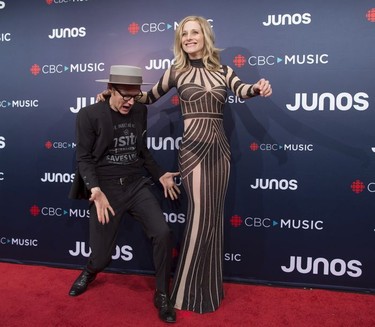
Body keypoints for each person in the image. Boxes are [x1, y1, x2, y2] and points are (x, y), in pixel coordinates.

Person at [98, 16, 272, 314]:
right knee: (199, 217)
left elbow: (242, 90)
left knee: (213, 219)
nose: (189, 37)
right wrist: (119, 93)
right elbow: (148, 97)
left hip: (220, 151)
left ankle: (208, 289)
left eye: (194, 32)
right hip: (193, 151)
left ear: (205, 36)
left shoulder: (223, 70)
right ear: (180, 41)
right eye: (184, 34)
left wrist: (257, 88)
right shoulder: (176, 71)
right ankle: (184, 292)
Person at [68, 65, 180, 323]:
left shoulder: (140, 110)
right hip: (106, 189)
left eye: (135, 96)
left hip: (136, 184)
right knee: (102, 256)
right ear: (110, 91)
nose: (131, 102)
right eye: (125, 96)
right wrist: (95, 190)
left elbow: (141, 151)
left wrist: (159, 173)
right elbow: (84, 158)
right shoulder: (89, 115)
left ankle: (163, 294)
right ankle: (90, 269)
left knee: (162, 233)